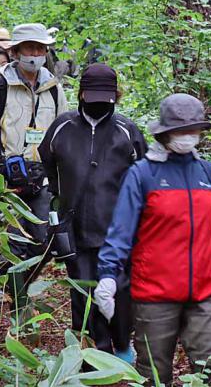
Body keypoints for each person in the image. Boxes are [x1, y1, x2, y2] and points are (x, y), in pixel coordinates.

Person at [95, 93, 211, 382]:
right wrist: (108, 275)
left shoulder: (209, 173)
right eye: (180, 131)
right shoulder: (143, 174)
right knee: (153, 374)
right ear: (165, 133)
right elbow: (122, 230)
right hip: (155, 294)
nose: (186, 137)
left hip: (206, 293)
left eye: (192, 130)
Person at [38, 63, 146, 362]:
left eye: (106, 97)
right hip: (76, 225)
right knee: (83, 289)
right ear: (81, 93)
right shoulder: (63, 126)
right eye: (93, 95)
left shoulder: (126, 131)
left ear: (116, 96)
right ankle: (96, 348)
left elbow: (142, 174)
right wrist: (59, 200)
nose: (98, 103)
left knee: (120, 290)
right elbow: (48, 160)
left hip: (118, 229)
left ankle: (123, 345)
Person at [0, 23, 67, 318]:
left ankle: (15, 286)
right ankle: (13, 301)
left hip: (42, 175)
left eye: (40, 49)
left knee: (44, 239)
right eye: (29, 48)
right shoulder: (0, 84)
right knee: (13, 240)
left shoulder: (53, 87)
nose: (35, 54)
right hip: (6, 172)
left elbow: (64, 126)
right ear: (16, 51)